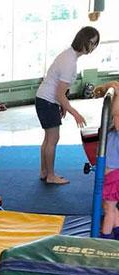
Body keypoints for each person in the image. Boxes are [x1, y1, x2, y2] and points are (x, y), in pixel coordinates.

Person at [35, 26, 100, 185]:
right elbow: (59, 93)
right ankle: (50, 175)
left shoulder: (70, 56)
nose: (92, 47)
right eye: (91, 42)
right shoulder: (69, 61)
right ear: (82, 40)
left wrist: (63, 106)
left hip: (45, 100)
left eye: (95, 44)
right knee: (53, 139)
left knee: (48, 138)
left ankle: (44, 171)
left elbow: (62, 89)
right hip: (47, 100)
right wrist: (74, 112)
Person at [100, 88, 119, 239]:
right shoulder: (113, 132)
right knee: (110, 207)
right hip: (110, 176)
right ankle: (117, 231)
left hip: (113, 177)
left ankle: (104, 239)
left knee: (109, 210)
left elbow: (115, 111)